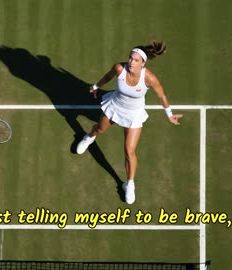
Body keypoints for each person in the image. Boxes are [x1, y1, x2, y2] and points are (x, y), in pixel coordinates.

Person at [76, 41, 183, 204]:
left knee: (129, 151)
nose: (131, 62)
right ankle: (88, 137)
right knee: (99, 129)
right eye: (130, 58)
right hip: (115, 107)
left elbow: (161, 95)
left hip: (134, 114)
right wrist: (96, 86)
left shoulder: (149, 78)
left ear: (143, 63)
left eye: (135, 60)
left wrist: (169, 114)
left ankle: (130, 184)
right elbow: (107, 77)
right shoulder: (120, 68)